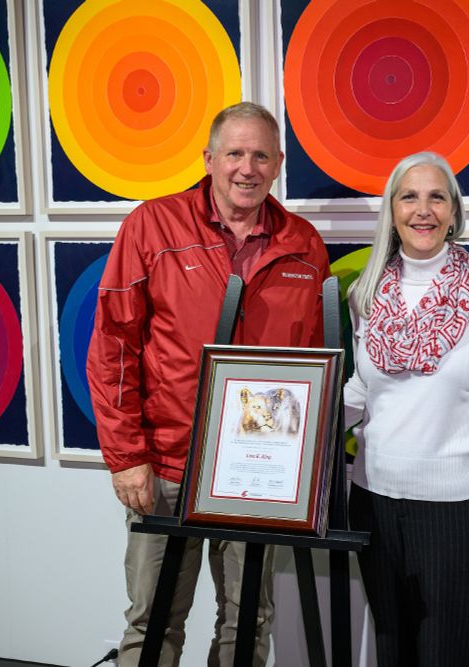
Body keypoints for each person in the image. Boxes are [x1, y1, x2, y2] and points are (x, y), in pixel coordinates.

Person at [87, 101, 330, 666]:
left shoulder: (303, 243)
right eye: (235, 153)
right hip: (167, 466)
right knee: (152, 620)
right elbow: (113, 345)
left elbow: (312, 365)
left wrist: (299, 472)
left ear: (278, 164)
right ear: (209, 159)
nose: (247, 168)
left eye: (261, 156)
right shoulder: (153, 226)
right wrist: (126, 457)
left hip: (257, 474)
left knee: (248, 621)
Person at [342, 152, 469, 666]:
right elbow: (364, 386)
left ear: (453, 212)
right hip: (373, 500)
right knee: (392, 653)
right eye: (409, 197)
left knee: (447, 656)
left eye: (436, 197)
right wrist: (299, 435)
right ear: (392, 211)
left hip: (454, 510)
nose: (423, 210)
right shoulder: (365, 294)